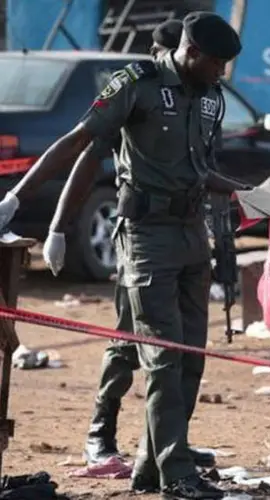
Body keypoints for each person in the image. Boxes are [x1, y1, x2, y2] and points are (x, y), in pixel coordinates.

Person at [11, 11, 246, 499]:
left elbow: (202, 171)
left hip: (190, 235)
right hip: (145, 237)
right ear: (193, 52)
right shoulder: (135, 84)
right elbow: (81, 144)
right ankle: (175, 473)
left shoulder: (208, 99)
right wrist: (21, 201)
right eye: (217, 62)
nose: (222, 73)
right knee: (161, 356)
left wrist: (262, 197)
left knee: (191, 359)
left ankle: (153, 465)